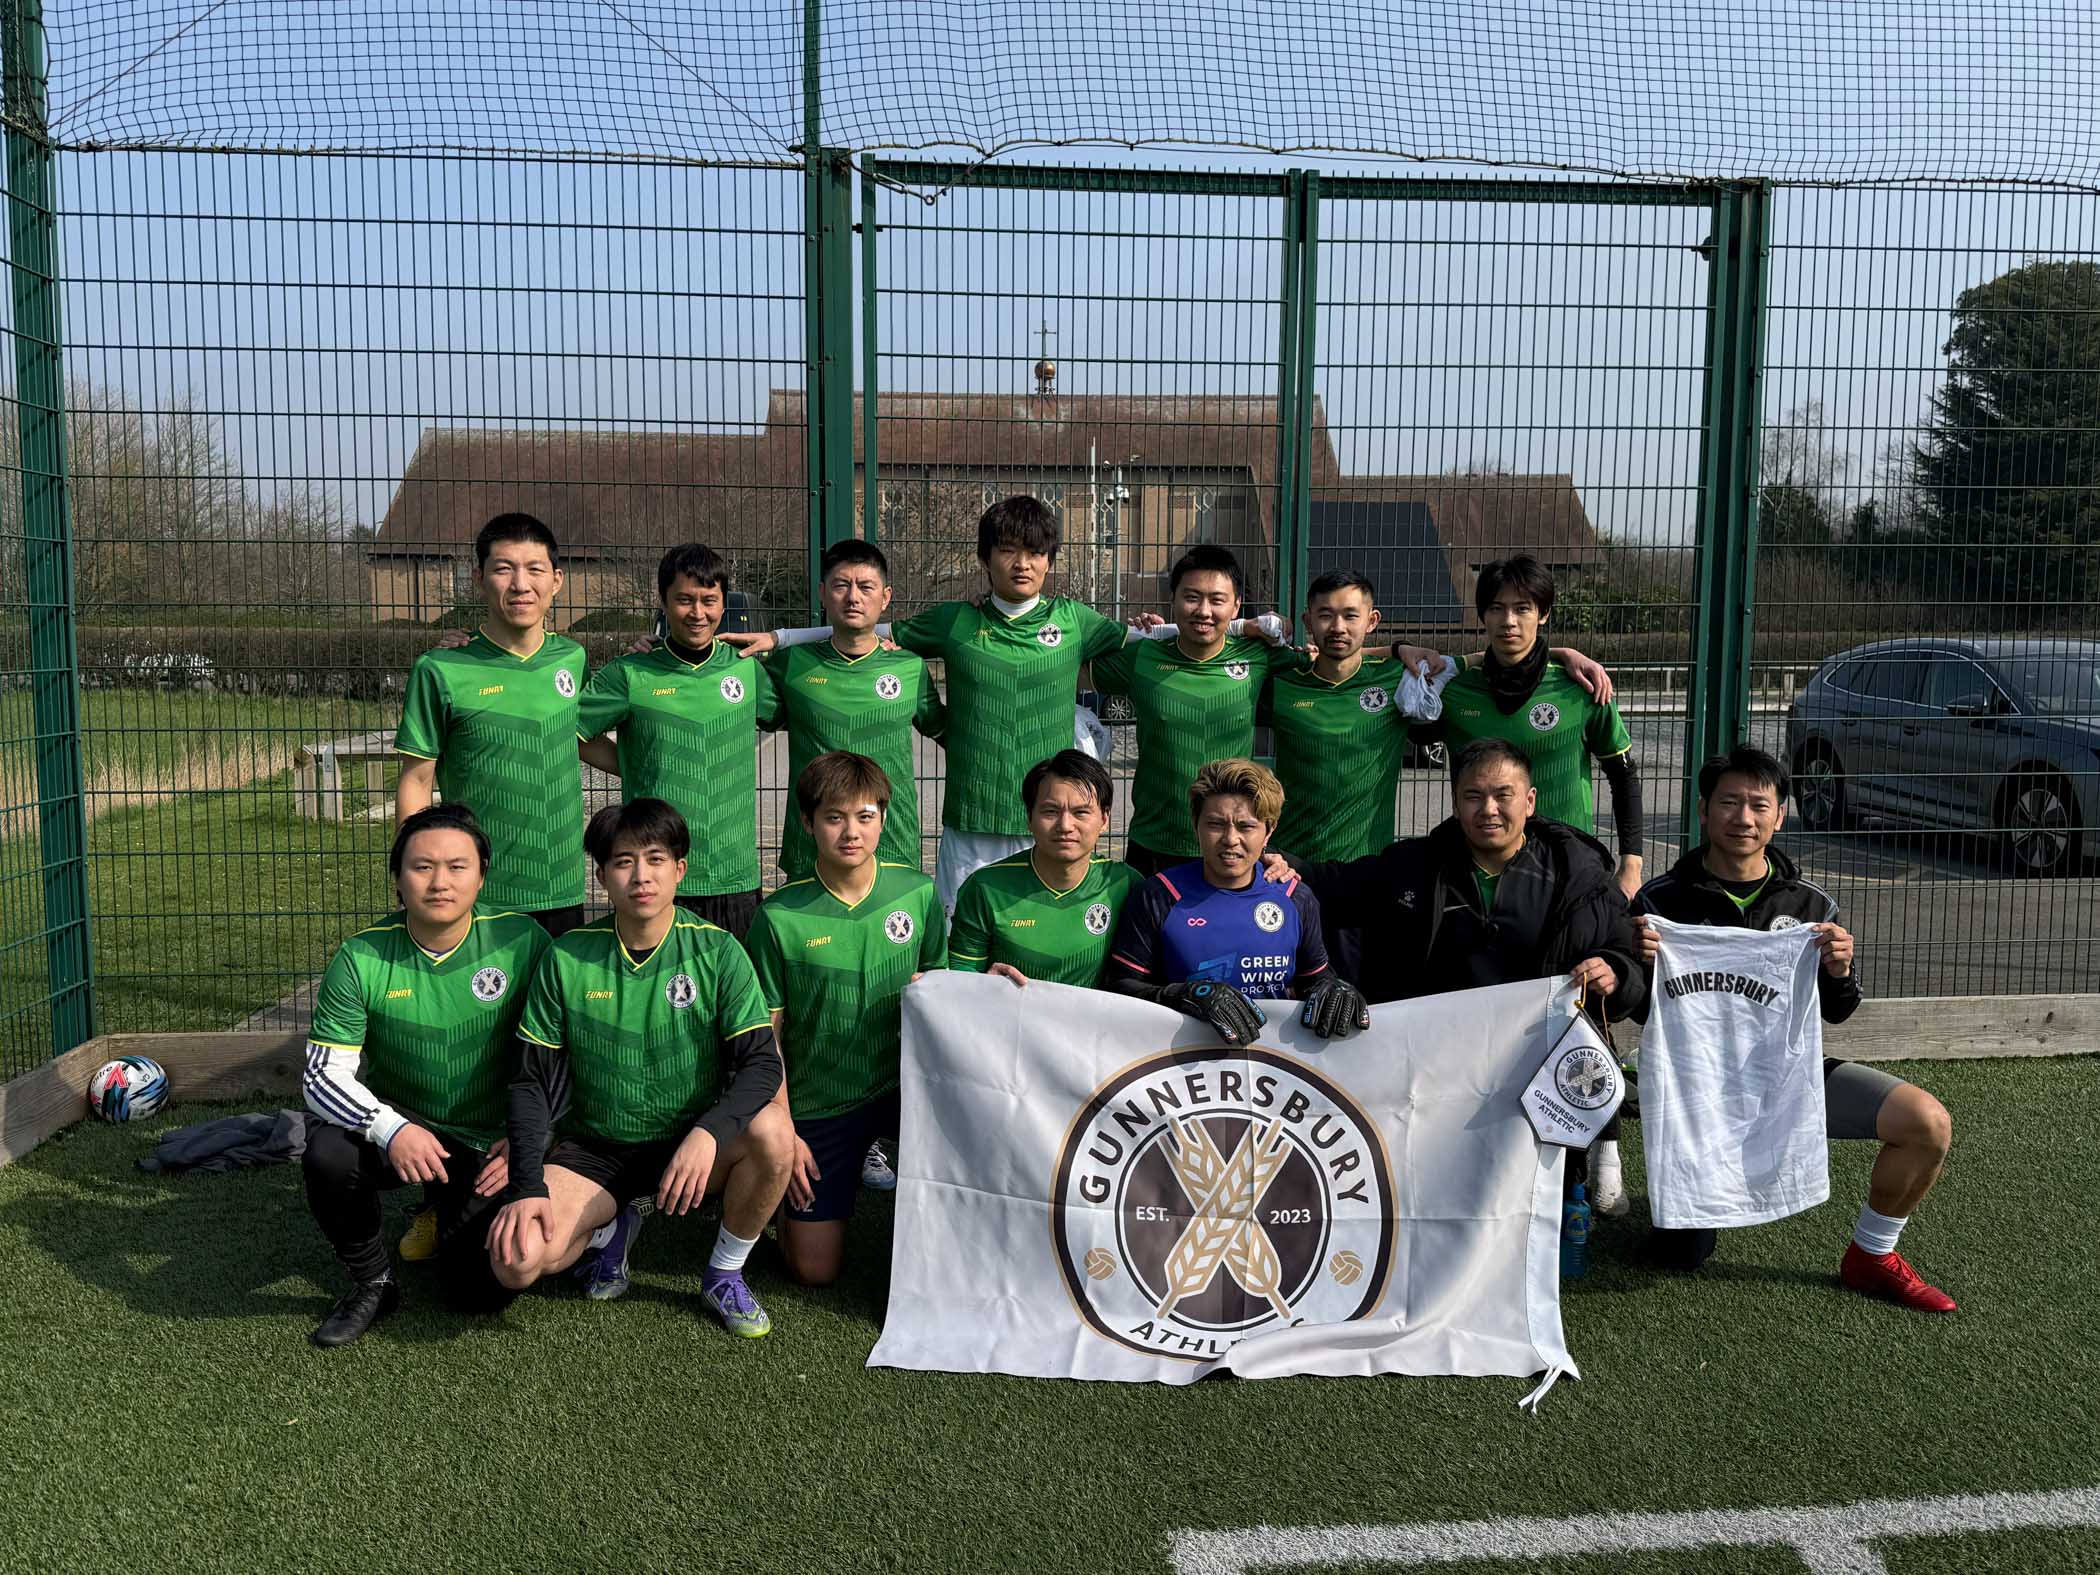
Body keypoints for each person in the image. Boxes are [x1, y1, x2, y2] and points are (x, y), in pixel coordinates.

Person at [722, 495, 1252, 913]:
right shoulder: (955, 621)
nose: (1022, 563)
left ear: (1049, 560)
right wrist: (783, 638)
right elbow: (866, 627)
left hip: (1048, 821)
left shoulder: (1074, 621)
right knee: (964, 953)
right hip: (972, 819)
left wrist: (1258, 628)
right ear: (985, 559)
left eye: (1035, 553)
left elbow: (1169, 635)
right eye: (1008, 551)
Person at [1630, 744, 1956, 1312]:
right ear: (1703, 810)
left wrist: (1840, 970)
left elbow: (1838, 1010)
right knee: (1679, 1255)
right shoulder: (1658, 901)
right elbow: (1636, 1009)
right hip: (1697, 1091)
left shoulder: (1811, 905)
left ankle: (1873, 1255)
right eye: (1729, 802)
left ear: (1780, 816)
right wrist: (1640, 964)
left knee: (1927, 1124)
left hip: (1787, 1077)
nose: (1743, 817)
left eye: (1759, 805)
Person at [1273, 735, 1644, 1193]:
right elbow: (1334, 882)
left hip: (1535, 1070)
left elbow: (1626, 959)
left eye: (1503, 795)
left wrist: (1615, 971)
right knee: (1437, 1188)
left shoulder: (1578, 878)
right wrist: (1278, 862)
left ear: (1529, 801)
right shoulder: (1414, 866)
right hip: (1440, 1069)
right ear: (1455, 803)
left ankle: (1571, 1194)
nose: (1488, 809)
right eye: (1473, 796)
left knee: (1530, 1195)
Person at [484, 799, 793, 1338]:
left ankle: (724, 1272)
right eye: (624, 862)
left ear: (680, 869)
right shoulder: (567, 957)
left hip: (689, 1142)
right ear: (602, 876)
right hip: (596, 1150)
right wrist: (527, 1184)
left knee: (773, 1131)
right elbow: (531, 1081)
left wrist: (708, 1132)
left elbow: (762, 1064)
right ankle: (613, 1225)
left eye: (655, 859)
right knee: (517, 1262)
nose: (641, 876)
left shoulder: (718, 951)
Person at [1417, 554, 1642, 1209]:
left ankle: (1604, 1145)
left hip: (1571, 875)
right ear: (1481, 615)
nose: (1509, 621)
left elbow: (1624, 774)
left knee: (1585, 1001)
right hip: (1484, 866)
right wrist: (1409, 650)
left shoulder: (1578, 687)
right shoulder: (1454, 688)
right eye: (1497, 608)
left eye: (1523, 608)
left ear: (1544, 613)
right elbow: (1359, 661)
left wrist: (1630, 862)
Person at [299, 804, 547, 1347]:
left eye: (457, 867)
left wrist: (529, 1142)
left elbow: (568, 1055)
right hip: (411, 1130)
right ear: (398, 878)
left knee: (476, 1292)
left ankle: (449, 1209)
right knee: (329, 1152)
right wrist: (390, 1129)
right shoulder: (361, 956)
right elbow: (321, 1076)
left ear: (482, 875)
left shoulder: (523, 942)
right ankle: (372, 1283)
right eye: (422, 867)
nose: (440, 882)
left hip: (492, 1142)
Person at [745, 752, 947, 1287]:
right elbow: (768, 1037)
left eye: (864, 816)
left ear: (883, 818)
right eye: (834, 818)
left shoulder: (918, 893)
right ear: (807, 822)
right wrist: (784, 1128)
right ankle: (782, 1205)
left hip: (903, 1090)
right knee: (814, 1271)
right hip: (820, 1101)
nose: (851, 832)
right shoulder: (779, 916)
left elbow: (943, 998)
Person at [395, 512, 589, 937]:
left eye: (535, 569)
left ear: (556, 580)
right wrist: (410, 874)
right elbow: (416, 779)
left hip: (563, 888)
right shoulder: (441, 669)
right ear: (479, 579)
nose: (520, 584)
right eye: (504, 569)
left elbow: (585, 737)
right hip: (478, 895)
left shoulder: (573, 659)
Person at [575, 543, 782, 939]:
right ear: (664, 601)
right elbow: (575, 735)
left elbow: (788, 711)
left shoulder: (746, 668)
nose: (698, 613)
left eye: (709, 600)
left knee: (731, 976)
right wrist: (636, 763)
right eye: (685, 600)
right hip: (657, 876)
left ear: (723, 603)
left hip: (734, 874)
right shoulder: (631, 673)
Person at [1104, 757, 1368, 1046]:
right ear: (1196, 824)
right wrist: (1182, 995)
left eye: (1246, 826)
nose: (1230, 839)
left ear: (1269, 830)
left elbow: (1314, 980)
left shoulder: (1295, 897)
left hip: (1276, 1065)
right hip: (1181, 1064)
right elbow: (1120, 989)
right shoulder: (1157, 895)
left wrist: (1333, 988)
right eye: (1216, 824)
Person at [762, 538, 947, 884]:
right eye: (841, 585)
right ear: (822, 593)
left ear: (885, 597)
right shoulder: (791, 665)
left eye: (865, 586)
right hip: (812, 848)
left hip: (892, 845)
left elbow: (951, 734)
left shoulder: (909, 667)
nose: (853, 597)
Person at [949, 749, 1142, 989]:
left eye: (1081, 812)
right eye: (1051, 811)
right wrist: (982, 983)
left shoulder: (1126, 884)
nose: (1065, 825)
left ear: (1104, 819)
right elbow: (959, 976)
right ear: (1029, 817)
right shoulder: (984, 888)